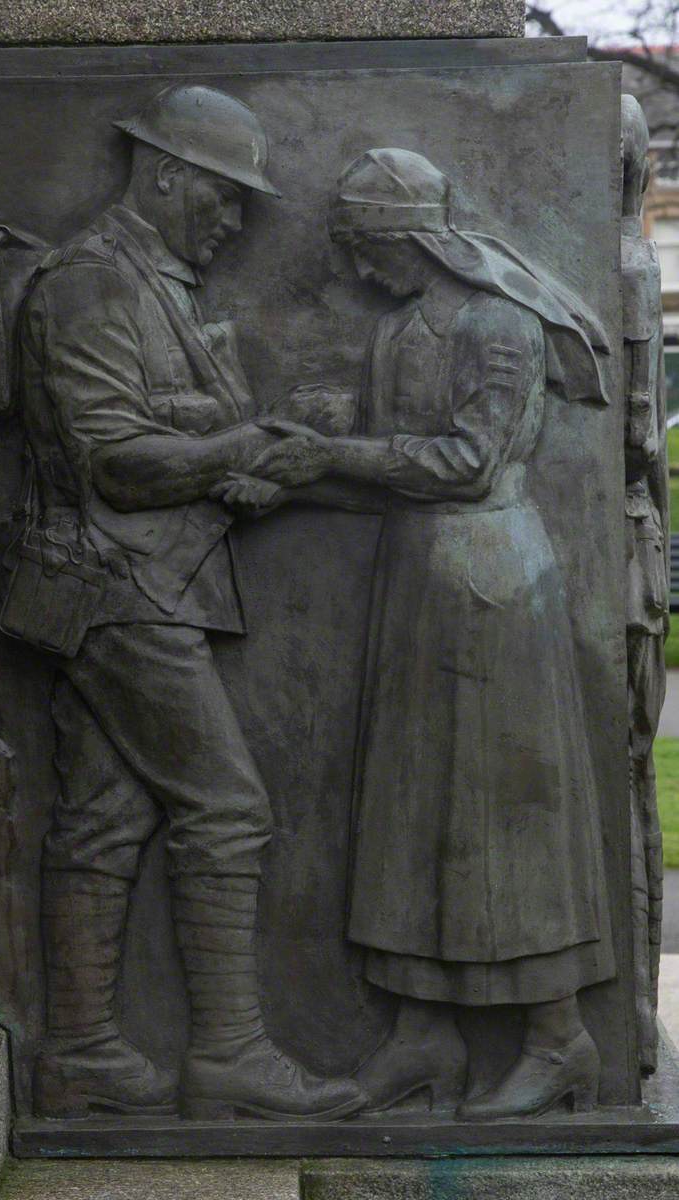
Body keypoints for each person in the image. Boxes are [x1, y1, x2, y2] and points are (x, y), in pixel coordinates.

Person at [240, 148, 616, 1119]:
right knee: (407, 809)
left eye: (367, 247)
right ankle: (423, 1039)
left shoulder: (498, 325)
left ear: (411, 237)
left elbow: (462, 461)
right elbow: (383, 469)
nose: (358, 270)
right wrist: (290, 475)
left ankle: (556, 1037)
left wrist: (332, 454)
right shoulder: (399, 329)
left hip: (491, 587)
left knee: (505, 816)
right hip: (416, 583)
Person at [18, 83, 363, 1123]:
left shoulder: (153, 282)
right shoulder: (90, 286)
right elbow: (115, 461)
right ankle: (227, 1054)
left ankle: (79, 1053)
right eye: (221, 200)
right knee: (225, 810)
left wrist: (261, 450)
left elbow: (175, 446)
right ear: (164, 175)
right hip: (119, 591)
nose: (230, 223)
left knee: (104, 820)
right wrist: (249, 443)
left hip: (149, 581)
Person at [621, 94, 669, 1076]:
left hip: (614, 560)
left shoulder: (620, 264)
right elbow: (639, 440)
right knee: (621, 784)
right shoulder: (625, 258)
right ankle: (622, 1019)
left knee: (620, 779)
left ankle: (624, 1019)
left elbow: (631, 431)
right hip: (622, 553)